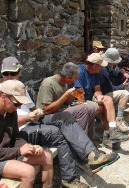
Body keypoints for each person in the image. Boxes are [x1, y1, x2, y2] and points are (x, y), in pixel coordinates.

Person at [1, 56, 120, 187]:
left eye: (13, 73)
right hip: (29, 125)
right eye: (6, 73)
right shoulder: (44, 85)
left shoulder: (20, 90)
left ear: (19, 72)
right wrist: (29, 119)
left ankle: (87, 157)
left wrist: (73, 97)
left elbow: (33, 110)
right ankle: (83, 161)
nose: (9, 76)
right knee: (64, 123)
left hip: (32, 122)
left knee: (79, 113)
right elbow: (43, 111)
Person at [69, 53, 129, 149]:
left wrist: (99, 96)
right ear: (95, 66)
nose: (101, 68)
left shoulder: (95, 73)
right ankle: (107, 136)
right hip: (76, 101)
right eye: (100, 66)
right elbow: (77, 92)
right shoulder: (79, 71)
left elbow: (97, 89)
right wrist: (85, 106)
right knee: (103, 107)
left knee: (107, 99)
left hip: (89, 97)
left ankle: (112, 130)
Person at [0, 80, 53, 188]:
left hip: (8, 152)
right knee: (28, 172)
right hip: (2, 156)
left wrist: (27, 147)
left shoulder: (11, 111)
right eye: (17, 103)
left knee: (46, 157)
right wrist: (19, 151)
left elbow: (15, 136)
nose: (18, 107)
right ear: (4, 96)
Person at [36, 62, 97, 140]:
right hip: (48, 116)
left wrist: (74, 95)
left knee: (90, 108)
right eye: (75, 78)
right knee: (83, 109)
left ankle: (89, 140)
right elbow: (47, 110)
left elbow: (65, 103)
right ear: (68, 78)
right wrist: (66, 94)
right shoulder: (48, 83)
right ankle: (81, 143)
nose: (76, 80)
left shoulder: (64, 83)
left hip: (61, 111)